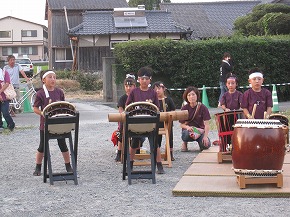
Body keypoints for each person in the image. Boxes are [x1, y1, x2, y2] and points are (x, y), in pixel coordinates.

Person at [32, 70, 73, 176]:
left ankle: (68, 165)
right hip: (45, 124)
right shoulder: (40, 93)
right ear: (43, 80)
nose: (53, 79)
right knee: (42, 146)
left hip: (59, 123)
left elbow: (64, 105)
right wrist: (42, 113)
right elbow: (35, 108)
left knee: (62, 144)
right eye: (50, 77)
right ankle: (38, 167)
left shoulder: (59, 92)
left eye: (54, 77)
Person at [126, 66, 165, 174]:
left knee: (155, 143)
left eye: (146, 78)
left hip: (150, 123)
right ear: (138, 79)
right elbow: (127, 106)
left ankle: (159, 164)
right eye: (142, 78)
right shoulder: (134, 92)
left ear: (150, 79)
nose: (144, 81)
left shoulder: (153, 93)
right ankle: (130, 163)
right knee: (134, 143)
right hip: (136, 123)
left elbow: (157, 108)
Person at [179, 86, 211, 152]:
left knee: (206, 145)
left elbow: (207, 124)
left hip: (199, 131)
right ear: (186, 97)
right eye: (189, 95)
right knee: (186, 135)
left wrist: (205, 137)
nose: (191, 97)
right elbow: (181, 125)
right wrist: (187, 127)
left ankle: (201, 143)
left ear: (197, 95)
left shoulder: (203, 107)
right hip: (188, 131)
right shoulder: (184, 108)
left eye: (193, 94)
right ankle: (185, 143)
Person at [114, 74, 137, 162]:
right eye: (126, 86)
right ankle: (119, 152)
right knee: (121, 130)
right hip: (125, 119)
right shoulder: (123, 98)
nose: (128, 88)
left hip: (135, 119)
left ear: (134, 86)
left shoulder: (137, 97)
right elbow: (120, 110)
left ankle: (136, 148)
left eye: (130, 86)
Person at [152, 81, 176, 161]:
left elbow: (173, 110)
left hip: (167, 123)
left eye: (159, 89)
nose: (157, 91)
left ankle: (170, 154)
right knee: (157, 139)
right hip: (157, 123)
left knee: (169, 138)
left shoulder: (168, 100)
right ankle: (156, 153)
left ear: (163, 89)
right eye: (155, 89)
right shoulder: (152, 101)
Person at [0, 68, 15, 132]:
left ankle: (11, 124)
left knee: (5, 112)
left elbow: (7, 83)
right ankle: (1, 125)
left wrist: (0, 92)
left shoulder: (4, 73)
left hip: (5, 96)